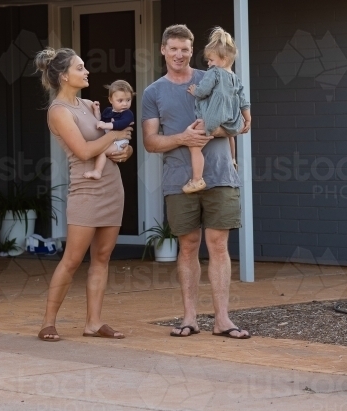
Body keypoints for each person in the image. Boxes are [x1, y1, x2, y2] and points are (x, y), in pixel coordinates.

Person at [142, 24, 252, 340]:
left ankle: (223, 320)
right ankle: (189, 318)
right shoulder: (153, 92)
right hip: (179, 181)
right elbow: (151, 142)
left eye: (185, 49)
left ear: (193, 51)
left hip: (220, 177)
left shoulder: (213, 76)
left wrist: (210, 133)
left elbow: (236, 124)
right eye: (174, 48)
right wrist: (182, 137)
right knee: (188, 246)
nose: (180, 54)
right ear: (163, 50)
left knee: (218, 245)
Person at [34, 47, 133, 342]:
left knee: (102, 256)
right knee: (73, 259)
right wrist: (116, 136)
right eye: (80, 68)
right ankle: (48, 322)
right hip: (85, 189)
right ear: (64, 76)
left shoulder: (90, 105)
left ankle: (93, 322)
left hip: (112, 186)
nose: (86, 71)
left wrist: (124, 150)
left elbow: (118, 147)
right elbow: (85, 151)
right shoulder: (58, 112)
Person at [184, 27, 251, 193]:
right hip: (233, 120)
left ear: (224, 58)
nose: (209, 63)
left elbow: (204, 90)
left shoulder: (214, 73)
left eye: (211, 60)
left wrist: (195, 91)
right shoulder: (235, 79)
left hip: (214, 117)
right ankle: (233, 160)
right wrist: (247, 119)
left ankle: (197, 180)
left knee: (194, 145)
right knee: (230, 137)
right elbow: (243, 101)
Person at [86, 79, 135, 180]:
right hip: (111, 141)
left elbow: (121, 124)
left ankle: (97, 172)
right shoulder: (108, 111)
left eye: (128, 100)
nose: (125, 104)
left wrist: (106, 125)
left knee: (101, 151)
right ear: (110, 100)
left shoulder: (127, 113)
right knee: (100, 149)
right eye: (120, 100)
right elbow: (100, 121)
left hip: (120, 143)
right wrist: (96, 111)